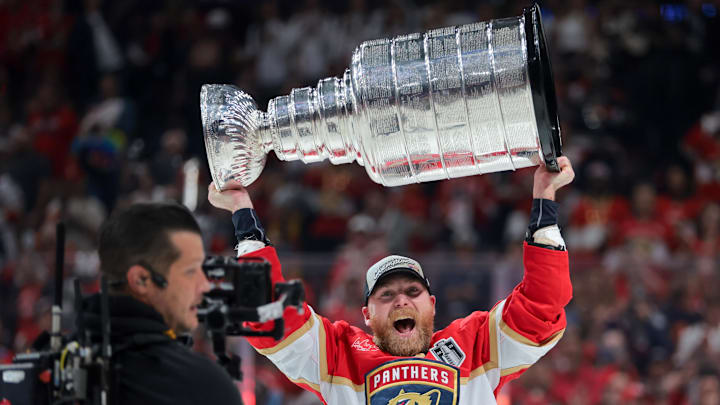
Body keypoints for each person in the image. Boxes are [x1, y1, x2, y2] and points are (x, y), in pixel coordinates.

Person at [208, 157, 575, 405]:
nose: (401, 300)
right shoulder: (339, 355)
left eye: (413, 291)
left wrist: (545, 199)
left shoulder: (476, 344)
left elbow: (542, 306)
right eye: (387, 295)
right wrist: (243, 214)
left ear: (432, 305)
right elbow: (267, 314)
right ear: (366, 314)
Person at [83, 202, 243, 405]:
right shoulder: (203, 387)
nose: (205, 285)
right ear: (141, 280)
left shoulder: (48, 367)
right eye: (191, 271)